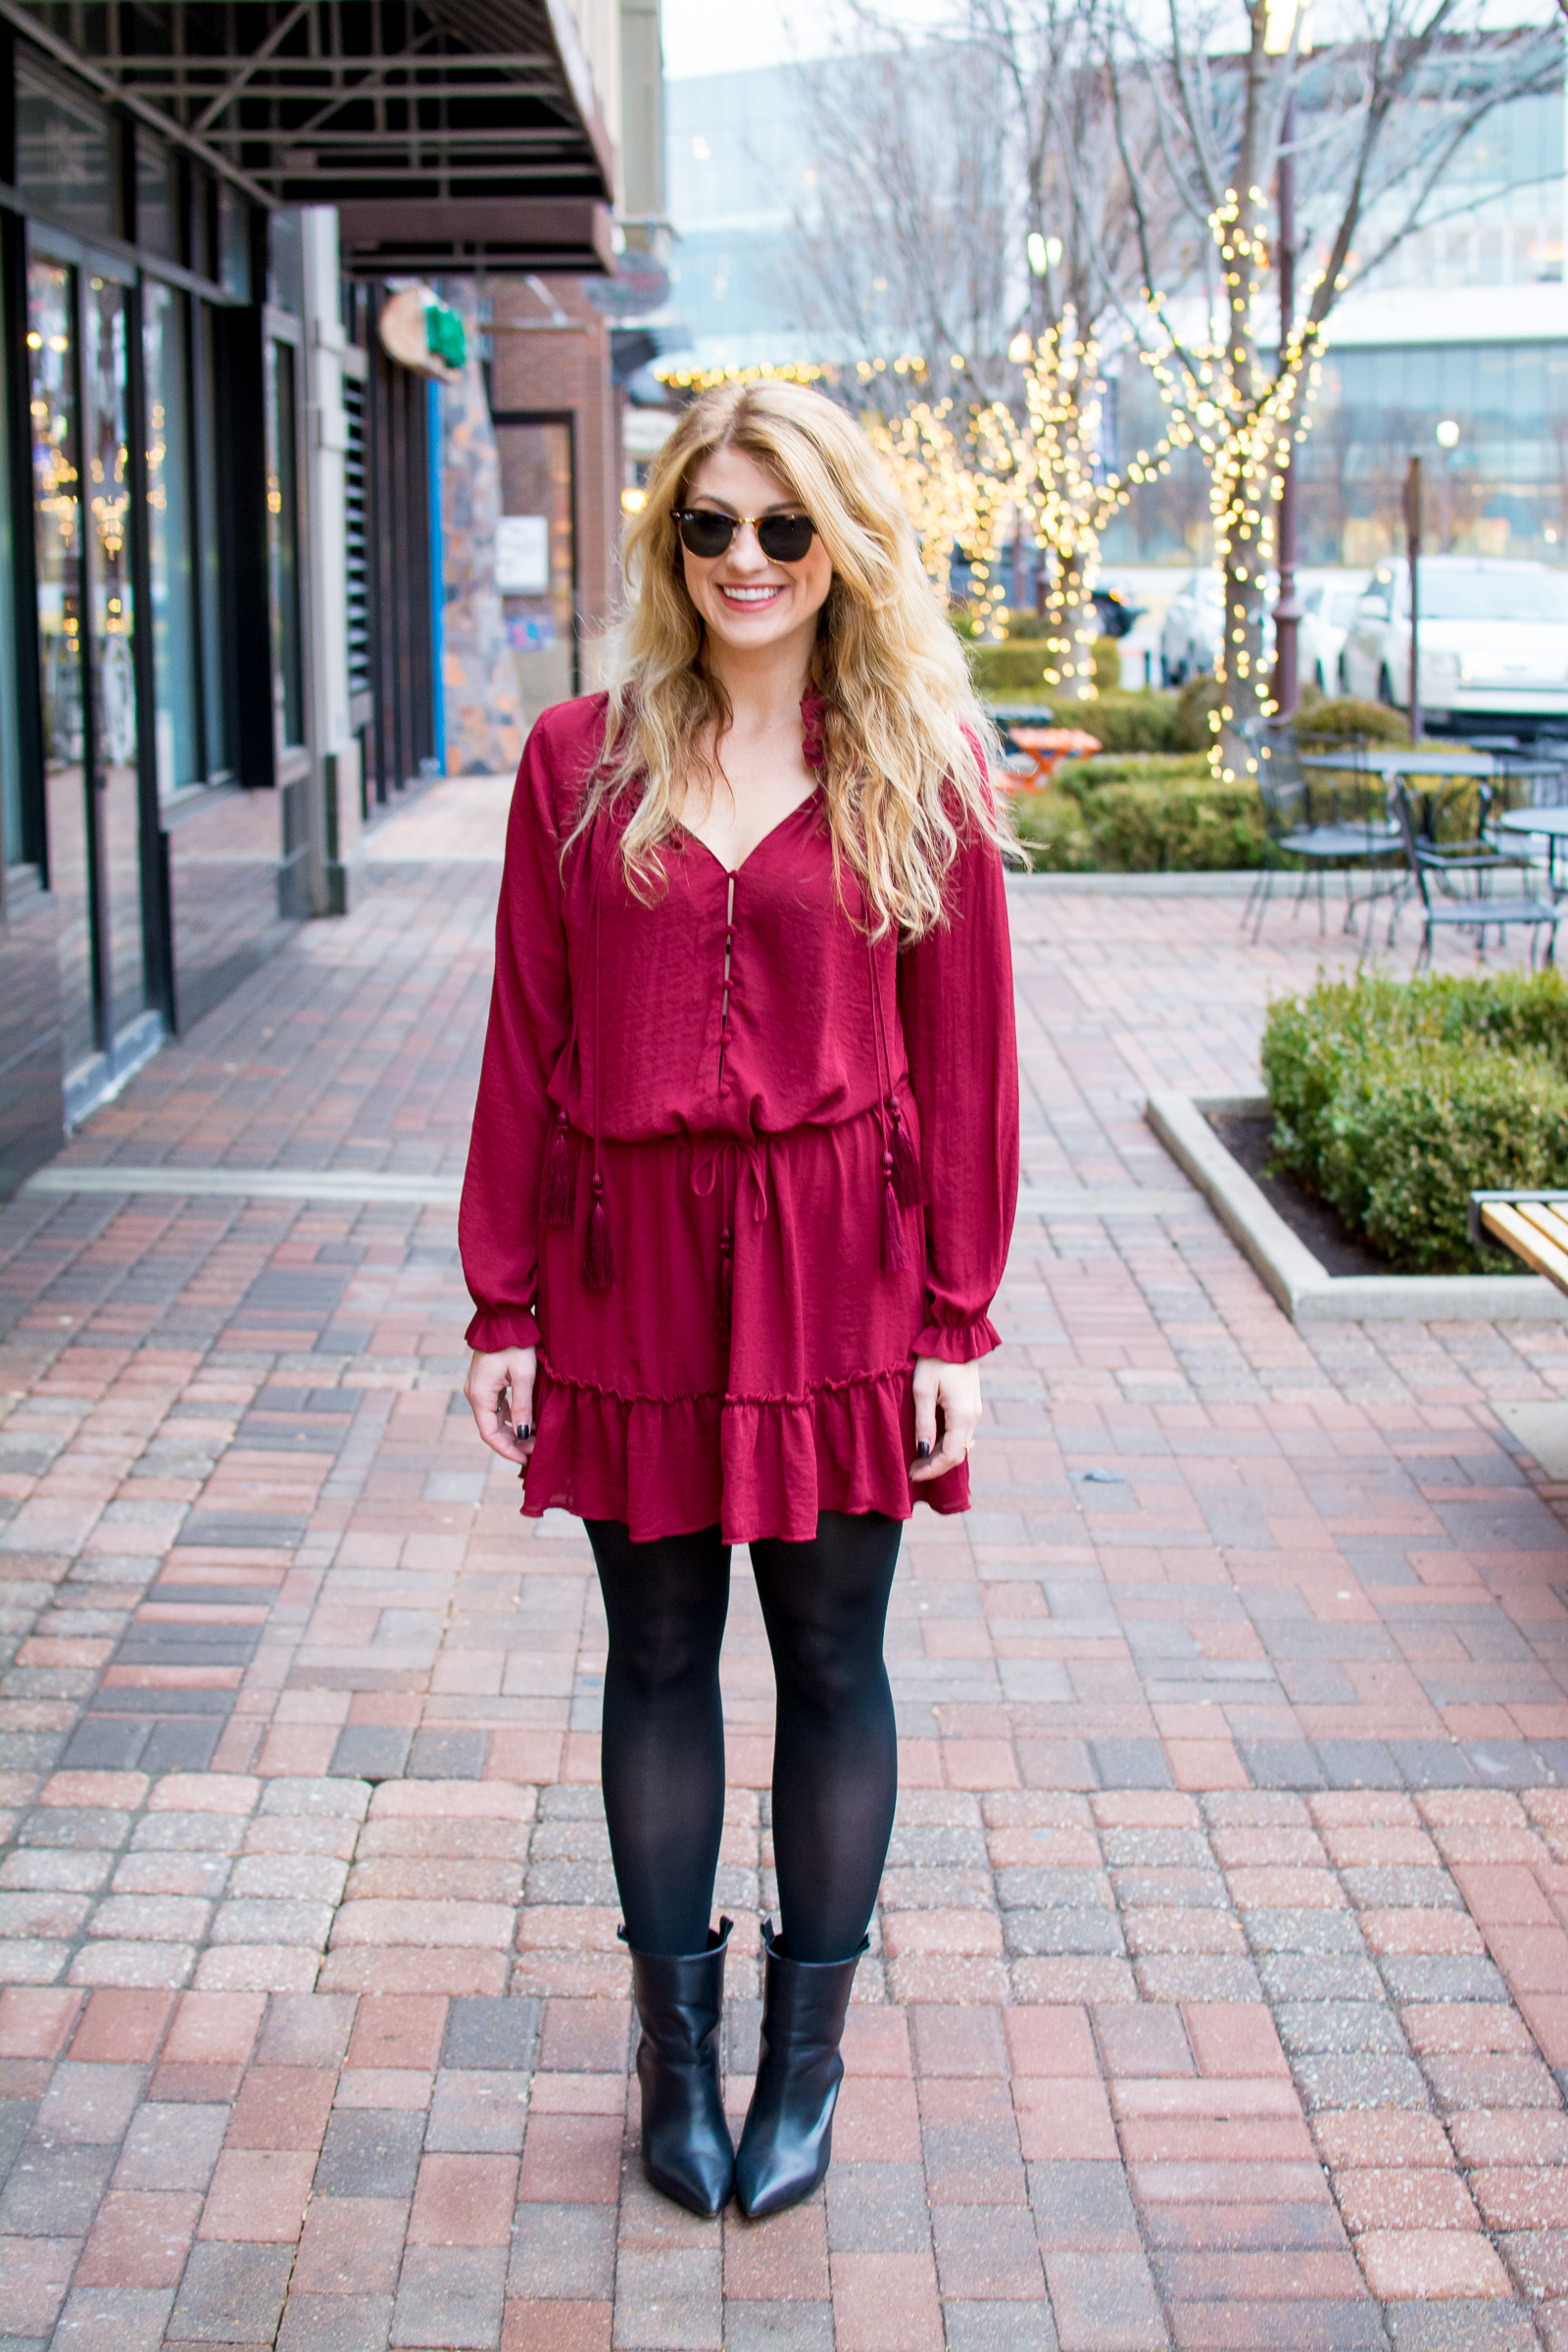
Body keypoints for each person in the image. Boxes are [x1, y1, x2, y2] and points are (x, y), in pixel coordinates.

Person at [461, 379, 1018, 2222]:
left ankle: (805, 2064)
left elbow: (967, 1061)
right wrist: (505, 1304)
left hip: (841, 1276)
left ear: (840, 544)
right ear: (670, 544)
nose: (748, 562)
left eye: (785, 528)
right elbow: (526, 1045)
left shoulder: (918, 766)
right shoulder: (577, 759)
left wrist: (956, 1321)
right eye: (712, 527)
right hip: (627, 1268)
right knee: (658, 1654)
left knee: (837, 1658)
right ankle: (670, 2061)